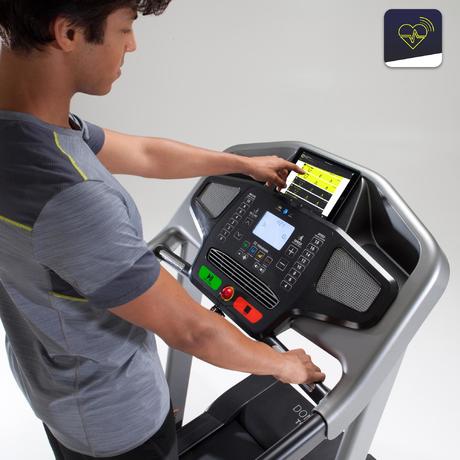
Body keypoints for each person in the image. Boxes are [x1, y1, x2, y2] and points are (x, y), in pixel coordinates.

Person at [0, 1, 325, 459]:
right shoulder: (71, 195)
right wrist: (284, 365)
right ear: (69, 33)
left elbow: (144, 154)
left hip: (55, 385)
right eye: (124, 29)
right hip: (116, 424)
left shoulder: (26, 128)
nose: (132, 46)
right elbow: (193, 331)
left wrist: (240, 164)